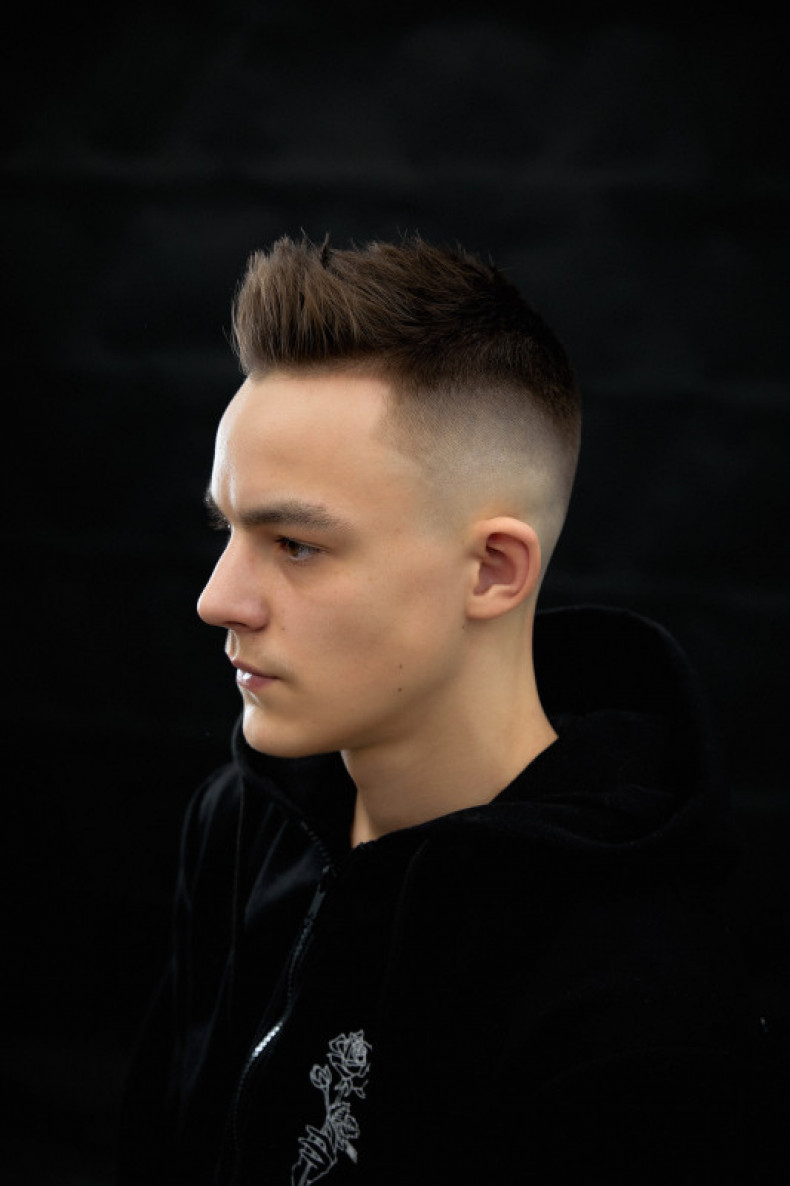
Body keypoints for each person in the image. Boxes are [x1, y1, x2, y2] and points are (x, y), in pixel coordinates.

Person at [119, 234, 761, 1184]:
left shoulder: (636, 1002)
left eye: (295, 544)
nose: (219, 600)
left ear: (494, 570)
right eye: (229, 529)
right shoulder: (242, 824)